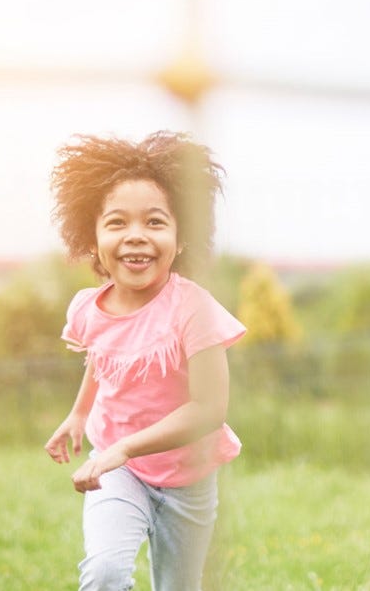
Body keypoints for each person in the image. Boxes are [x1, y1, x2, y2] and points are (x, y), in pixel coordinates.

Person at [44, 131, 246, 591]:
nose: (136, 235)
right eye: (117, 222)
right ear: (92, 237)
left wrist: (126, 447)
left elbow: (209, 409)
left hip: (187, 481)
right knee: (105, 574)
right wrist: (79, 414)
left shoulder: (194, 309)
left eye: (155, 222)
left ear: (182, 236)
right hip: (118, 473)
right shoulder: (88, 308)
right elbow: (105, 357)